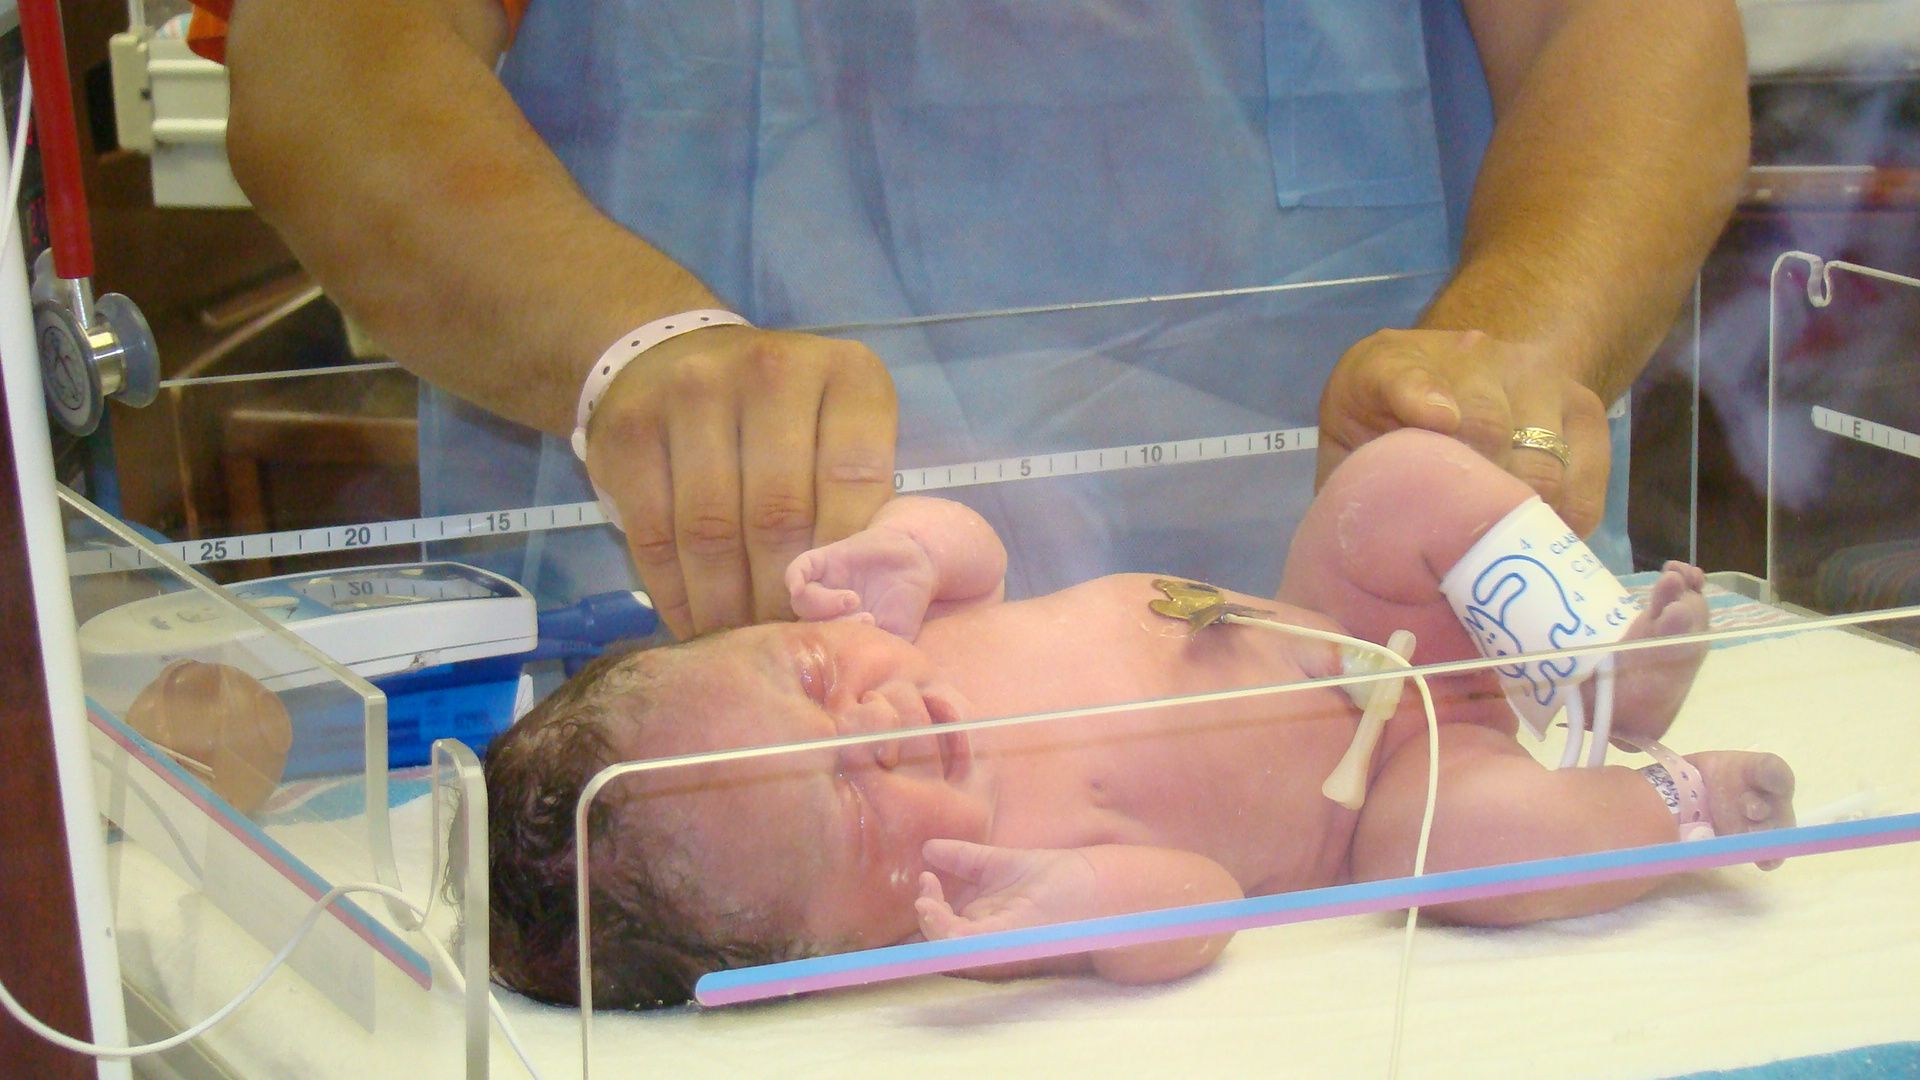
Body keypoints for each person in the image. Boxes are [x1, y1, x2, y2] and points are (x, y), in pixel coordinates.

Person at [190, 2, 1751, 637]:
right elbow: (333, 64)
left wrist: (1510, 356)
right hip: (731, 669)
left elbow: (1624, 33)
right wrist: (631, 346)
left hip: (1385, 661)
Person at [482, 429, 1796, 1008]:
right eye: (850, 797)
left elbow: (981, 548)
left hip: (1348, 622)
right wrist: (1077, 913)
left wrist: (910, 542)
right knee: (1464, 856)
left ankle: (1594, 655)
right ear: (851, 949)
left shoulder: (905, 625)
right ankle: (1680, 802)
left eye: (812, 678)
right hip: (1398, 793)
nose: (875, 723)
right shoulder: (1006, 884)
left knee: (1394, 483)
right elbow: (1202, 902)